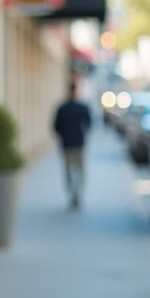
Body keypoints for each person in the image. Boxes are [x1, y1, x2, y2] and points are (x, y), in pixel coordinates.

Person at [52, 80, 92, 209]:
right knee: (80, 172)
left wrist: (63, 135)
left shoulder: (62, 108)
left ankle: (73, 195)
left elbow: (55, 127)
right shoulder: (82, 107)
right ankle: (77, 195)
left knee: (69, 172)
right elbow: (89, 125)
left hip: (67, 144)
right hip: (78, 144)